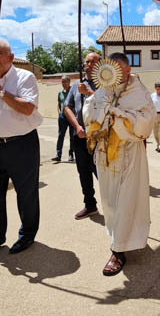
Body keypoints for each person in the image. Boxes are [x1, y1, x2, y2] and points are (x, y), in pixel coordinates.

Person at [83, 52, 156, 276]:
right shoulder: (102, 90)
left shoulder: (139, 91)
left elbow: (146, 122)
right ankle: (121, 238)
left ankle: (118, 251)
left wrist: (116, 115)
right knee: (110, 202)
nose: (113, 73)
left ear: (127, 70)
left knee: (126, 201)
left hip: (129, 153)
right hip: (106, 153)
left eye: (118, 68)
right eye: (109, 68)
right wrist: (100, 111)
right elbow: (88, 115)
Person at [0, 38, 43, 258]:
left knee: (26, 193)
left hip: (21, 145)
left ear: (11, 57)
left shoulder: (25, 77)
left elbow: (28, 108)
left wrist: (0, 91)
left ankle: (27, 234)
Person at [64, 52, 101, 220]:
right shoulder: (75, 85)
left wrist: (90, 92)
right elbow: (67, 107)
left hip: (99, 137)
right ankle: (90, 204)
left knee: (102, 172)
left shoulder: (104, 84)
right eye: (87, 62)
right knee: (83, 172)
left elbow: (107, 105)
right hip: (79, 136)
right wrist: (77, 126)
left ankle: (114, 205)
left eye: (93, 62)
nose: (89, 65)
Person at [52, 75, 74, 162]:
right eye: (62, 82)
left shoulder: (73, 92)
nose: (63, 83)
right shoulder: (60, 93)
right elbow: (58, 104)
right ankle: (58, 155)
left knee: (72, 136)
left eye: (65, 81)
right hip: (62, 117)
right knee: (61, 135)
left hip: (71, 117)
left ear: (69, 82)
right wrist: (59, 113)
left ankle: (71, 155)